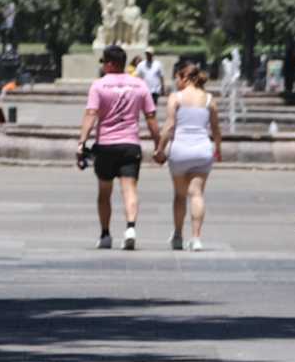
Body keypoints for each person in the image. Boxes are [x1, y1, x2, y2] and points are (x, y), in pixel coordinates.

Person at [77, 45, 162, 250]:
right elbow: (151, 119)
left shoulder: (98, 86)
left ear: (110, 64)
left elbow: (91, 114)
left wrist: (82, 142)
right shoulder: (139, 85)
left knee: (104, 191)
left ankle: (105, 234)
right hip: (130, 145)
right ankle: (130, 228)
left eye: (105, 62)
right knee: (130, 189)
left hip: (106, 145)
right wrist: (159, 145)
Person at [152, 63, 221, 250]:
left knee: (180, 195)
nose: (176, 82)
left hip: (180, 151)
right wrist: (218, 149)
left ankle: (177, 236)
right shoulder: (208, 99)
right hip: (202, 150)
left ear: (184, 78)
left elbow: (169, 126)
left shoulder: (176, 98)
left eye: (177, 78)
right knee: (197, 193)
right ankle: (196, 238)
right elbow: (215, 129)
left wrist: (159, 149)